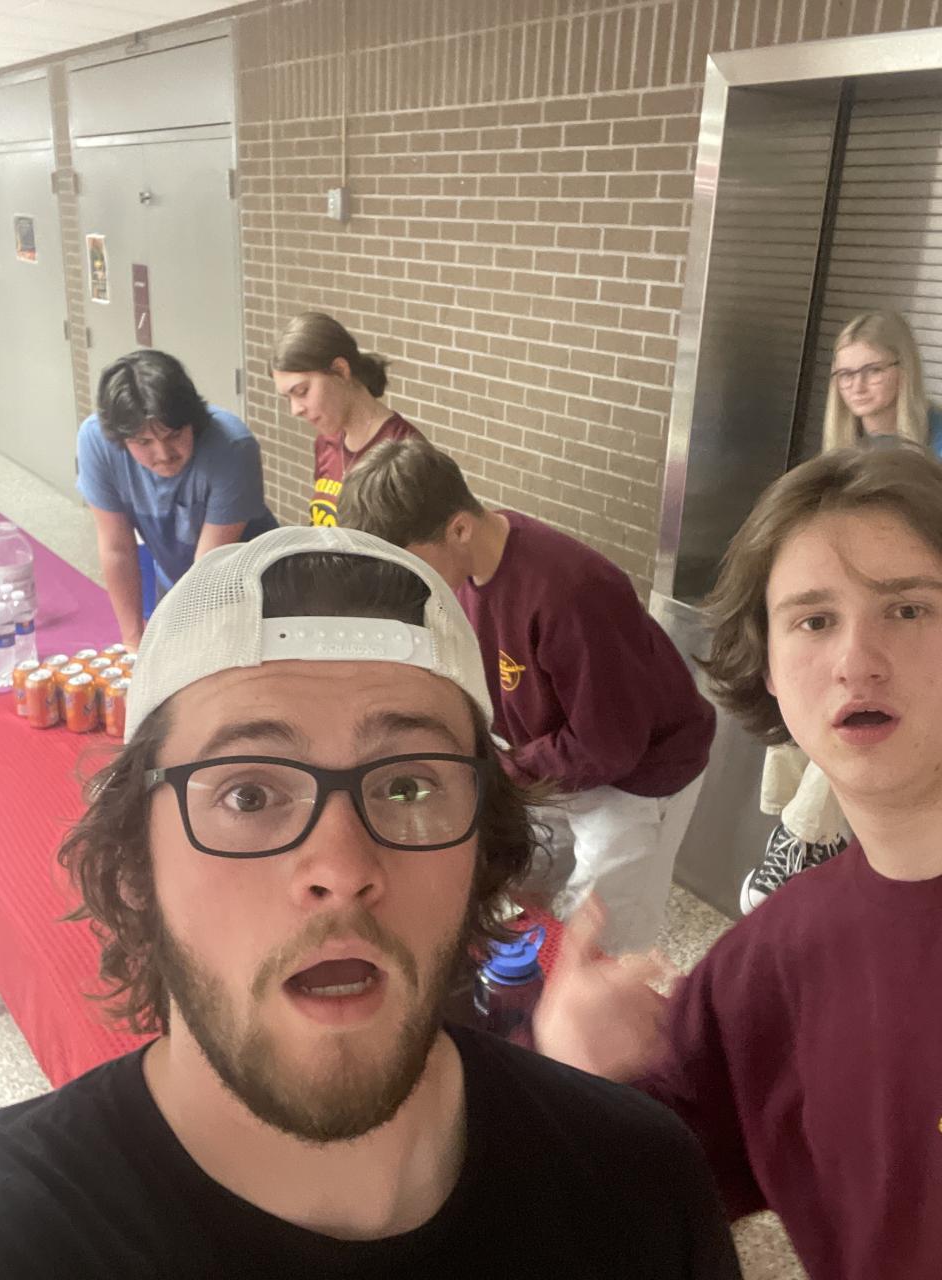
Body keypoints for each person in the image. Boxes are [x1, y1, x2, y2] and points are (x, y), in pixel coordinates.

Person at [0, 526, 740, 1279]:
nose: (342, 869)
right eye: (249, 795)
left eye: (408, 786)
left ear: (484, 855)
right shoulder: (14, 1231)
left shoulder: (638, 1187)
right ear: (133, 868)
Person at [535, 446, 942, 1280]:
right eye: (814, 620)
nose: (857, 661)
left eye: (908, 610)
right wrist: (590, 1073)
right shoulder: (770, 964)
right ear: (769, 667)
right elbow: (648, 1181)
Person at [337, 439, 716, 955]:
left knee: (599, 940)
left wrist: (500, 771)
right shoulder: (462, 571)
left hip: (640, 776)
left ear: (459, 529)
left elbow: (609, 746)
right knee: (517, 877)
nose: (411, 584)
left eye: (411, 565)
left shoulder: (573, 591)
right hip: (558, 754)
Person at [745, 310, 942, 911]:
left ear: (904, 370)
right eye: (845, 374)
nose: (858, 386)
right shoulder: (839, 456)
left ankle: (800, 846)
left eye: (872, 370)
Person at [77, 350, 278, 650]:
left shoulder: (233, 447)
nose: (163, 454)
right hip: (176, 582)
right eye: (143, 442)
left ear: (192, 422)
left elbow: (208, 569)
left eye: (174, 435)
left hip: (250, 588)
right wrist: (134, 644)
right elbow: (117, 548)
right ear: (120, 439)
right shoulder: (96, 441)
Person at [270, 312, 424, 527]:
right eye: (288, 398)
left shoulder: (405, 453)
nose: (295, 409)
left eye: (302, 391)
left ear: (341, 370)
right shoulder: (326, 444)